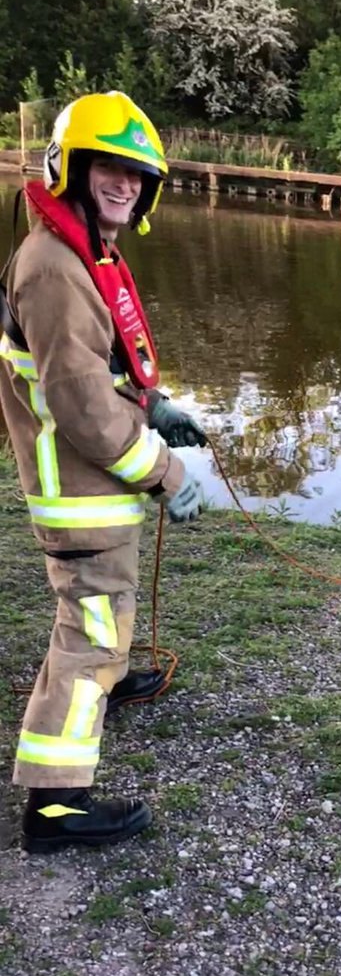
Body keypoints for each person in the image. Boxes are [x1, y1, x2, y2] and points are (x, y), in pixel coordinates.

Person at [0, 90, 207, 854]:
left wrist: (152, 406)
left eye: (136, 174)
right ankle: (55, 807)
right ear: (71, 170)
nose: (123, 184)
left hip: (91, 485)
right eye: (107, 169)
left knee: (104, 616)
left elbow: (96, 367)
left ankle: (111, 682)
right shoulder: (54, 267)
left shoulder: (78, 251)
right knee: (88, 630)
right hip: (78, 487)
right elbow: (81, 406)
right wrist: (164, 470)